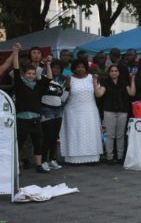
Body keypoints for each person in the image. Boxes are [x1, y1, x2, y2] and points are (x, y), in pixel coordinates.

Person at [13, 43, 53, 173]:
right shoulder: (20, 84)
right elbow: (16, 69)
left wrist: (47, 64)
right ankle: (15, 165)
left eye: (33, 73)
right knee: (19, 143)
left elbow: (50, 78)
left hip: (35, 119)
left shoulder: (38, 86)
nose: (31, 75)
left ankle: (38, 165)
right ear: (24, 74)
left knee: (38, 142)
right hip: (22, 119)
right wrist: (15, 53)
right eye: (28, 73)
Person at [60, 59, 103, 164]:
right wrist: (68, 85)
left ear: (86, 68)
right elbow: (63, 98)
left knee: (90, 133)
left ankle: (92, 158)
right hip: (73, 111)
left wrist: (95, 81)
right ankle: (74, 158)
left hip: (90, 110)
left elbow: (97, 93)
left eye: (82, 67)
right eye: (78, 67)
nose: (80, 69)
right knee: (75, 134)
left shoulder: (91, 78)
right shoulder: (69, 79)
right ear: (73, 68)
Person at [93, 65, 136, 164]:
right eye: (112, 71)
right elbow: (98, 94)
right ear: (109, 73)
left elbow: (132, 93)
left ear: (119, 73)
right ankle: (110, 157)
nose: (114, 72)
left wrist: (132, 80)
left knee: (120, 135)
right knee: (110, 135)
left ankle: (120, 156)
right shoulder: (105, 83)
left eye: (116, 71)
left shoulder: (123, 82)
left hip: (122, 111)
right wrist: (95, 82)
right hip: (109, 111)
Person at [41, 59, 68, 170]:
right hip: (47, 110)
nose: (56, 70)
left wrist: (68, 87)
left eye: (58, 68)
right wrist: (45, 63)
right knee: (47, 136)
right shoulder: (43, 79)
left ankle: (52, 159)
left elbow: (62, 98)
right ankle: (43, 161)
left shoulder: (59, 82)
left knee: (54, 137)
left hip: (58, 111)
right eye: (54, 67)